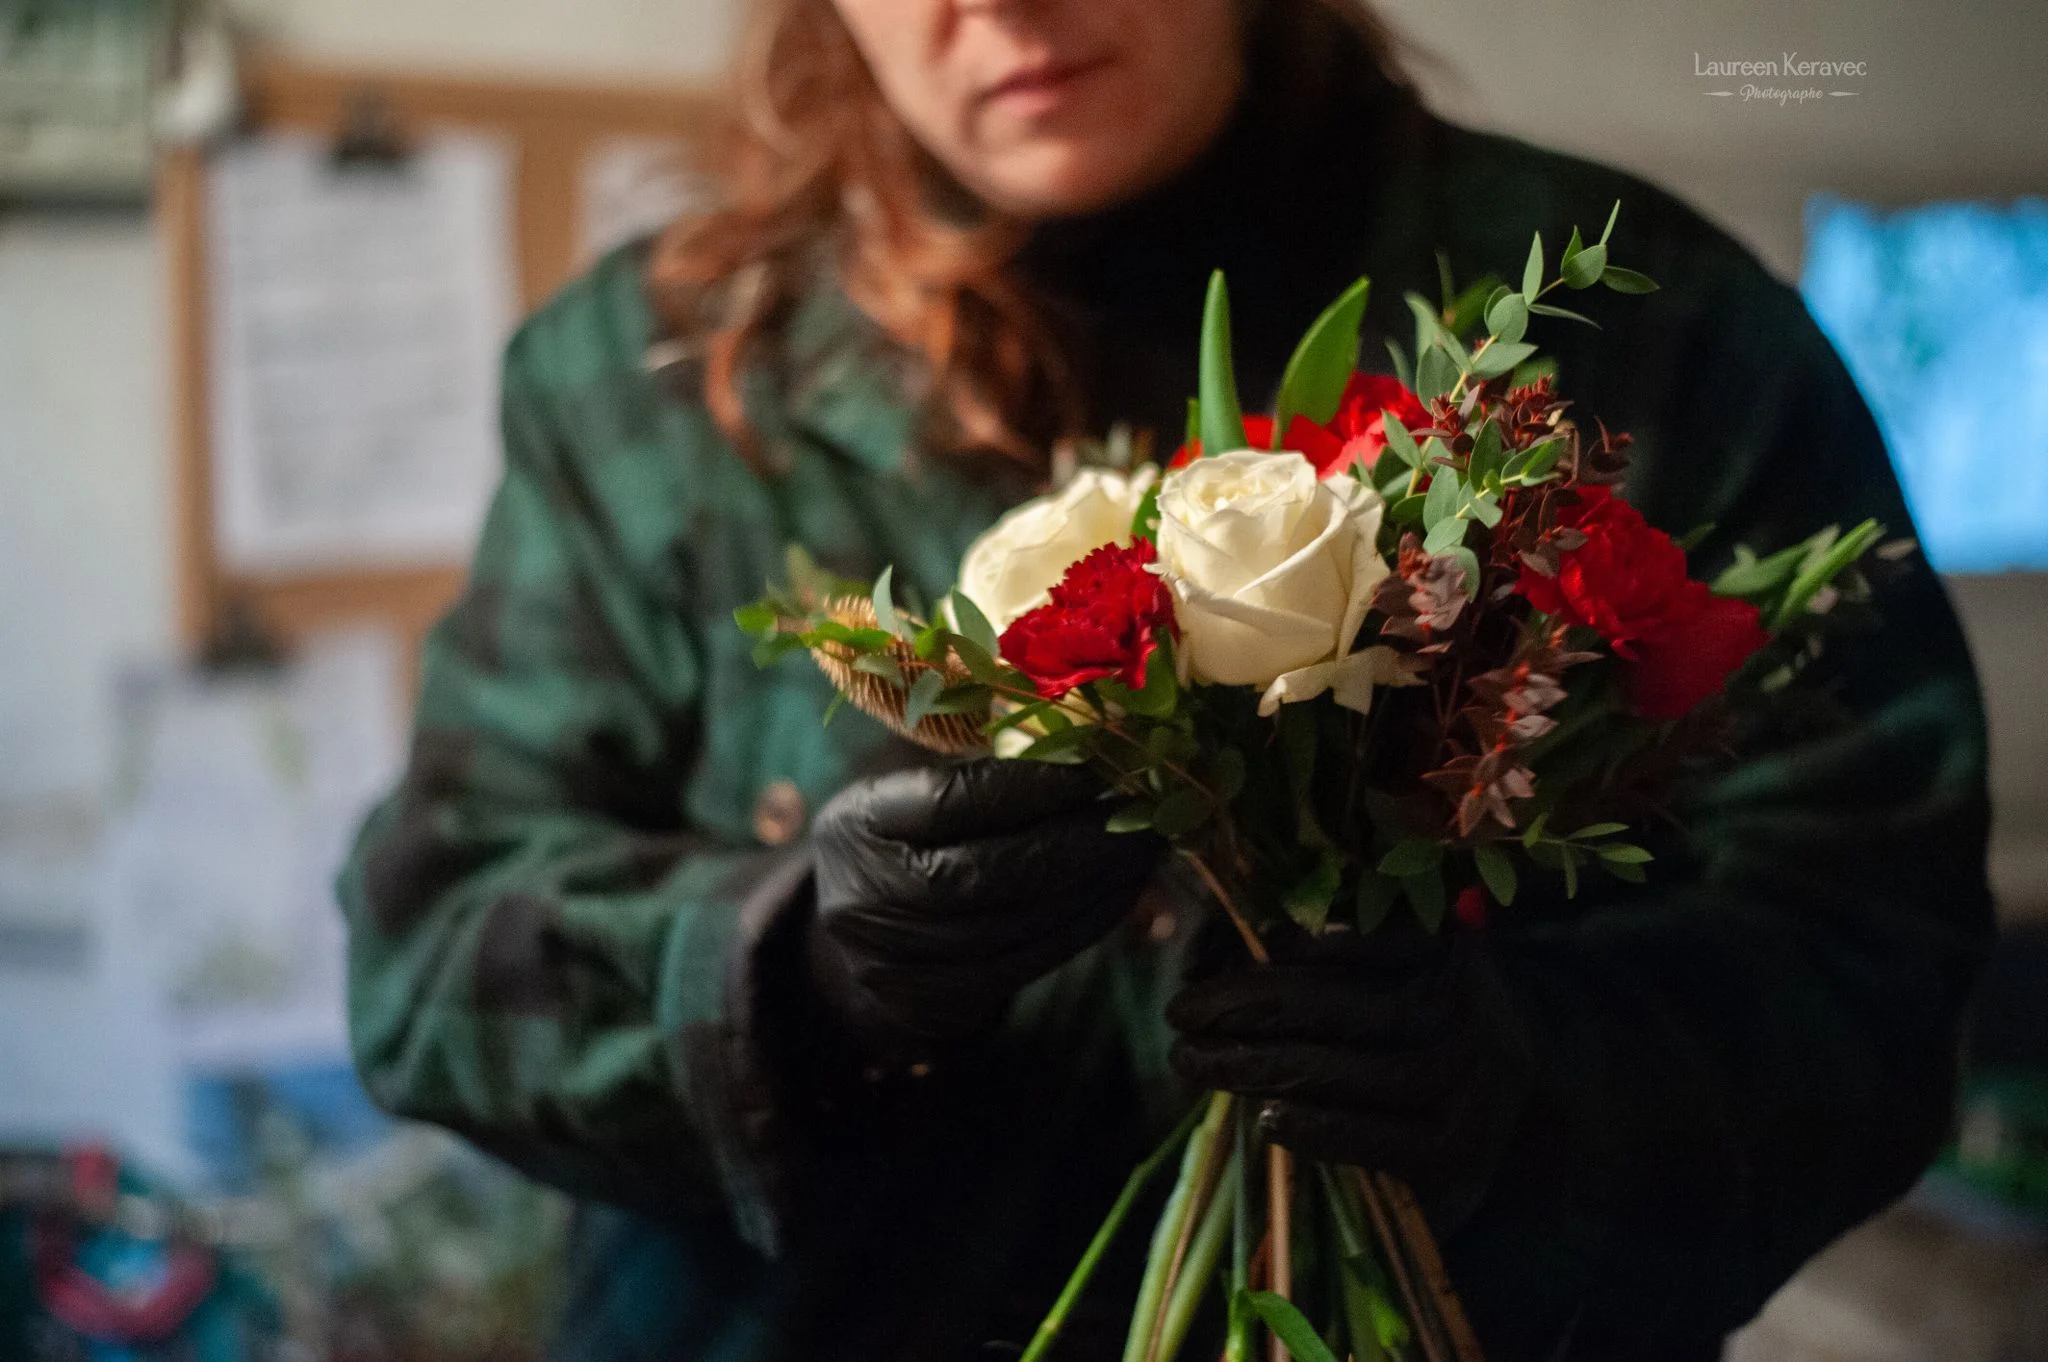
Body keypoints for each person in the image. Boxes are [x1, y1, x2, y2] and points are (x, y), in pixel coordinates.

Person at [336, 0, 1995, 1358]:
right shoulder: (653, 386)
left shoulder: (1643, 330)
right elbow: (429, 953)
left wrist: (1531, 1074)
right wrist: (783, 971)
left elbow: (1874, 947)